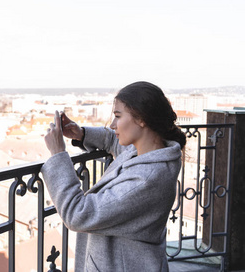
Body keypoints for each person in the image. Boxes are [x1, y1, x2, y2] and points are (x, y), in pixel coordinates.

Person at [42, 81, 186, 272]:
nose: (112, 124)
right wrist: (81, 133)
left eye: (118, 116)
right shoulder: (149, 152)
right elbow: (114, 141)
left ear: (142, 119)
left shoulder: (146, 179)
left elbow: (78, 214)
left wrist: (58, 154)